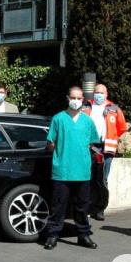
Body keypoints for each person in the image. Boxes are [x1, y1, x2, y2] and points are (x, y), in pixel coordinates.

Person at [43, 86, 100, 250]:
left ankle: (83, 235)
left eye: (79, 98)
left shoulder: (88, 121)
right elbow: (51, 143)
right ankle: (52, 235)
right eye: (73, 98)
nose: (75, 101)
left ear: (83, 100)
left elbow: (90, 143)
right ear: (68, 98)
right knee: (57, 206)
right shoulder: (58, 119)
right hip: (62, 171)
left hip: (82, 171)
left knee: (82, 207)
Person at [81, 83, 127, 221]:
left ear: (106, 94)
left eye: (101, 93)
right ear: (93, 94)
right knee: (87, 178)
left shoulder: (114, 108)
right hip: (89, 146)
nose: (99, 95)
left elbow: (122, 127)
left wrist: (112, 137)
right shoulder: (86, 107)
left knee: (103, 179)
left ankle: (100, 209)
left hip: (106, 149)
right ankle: (87, 208)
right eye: (97, 92)